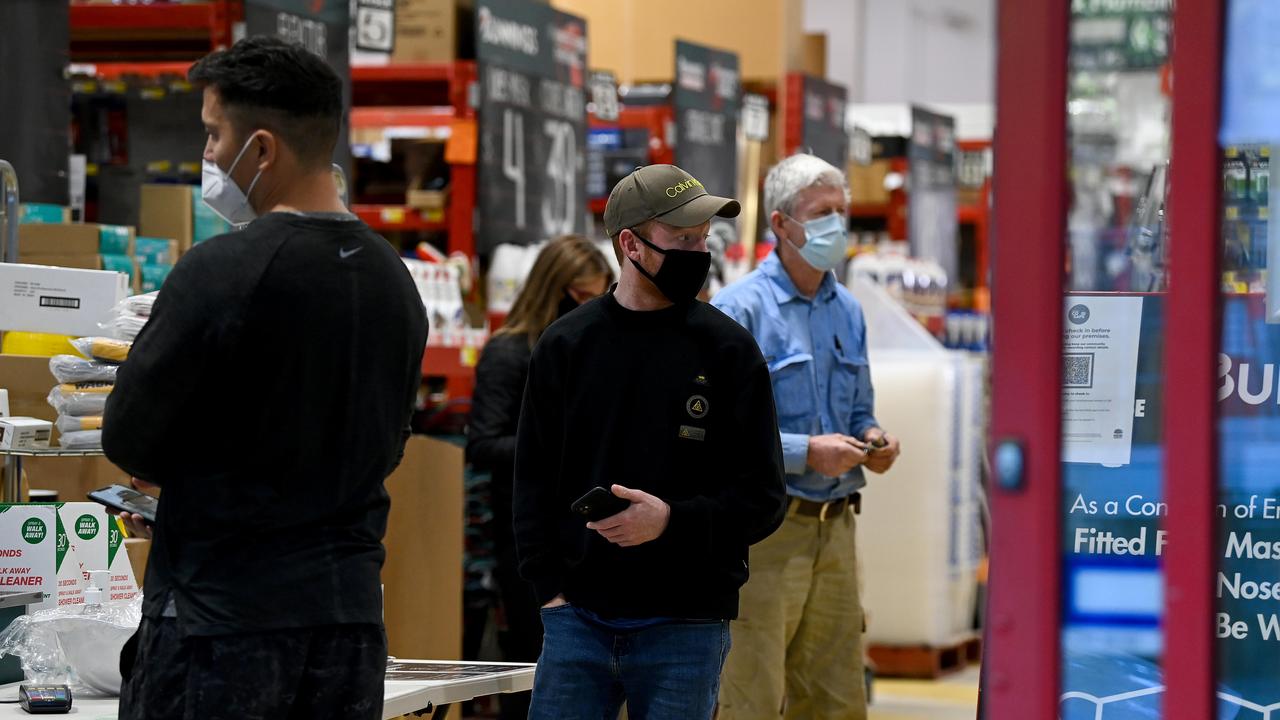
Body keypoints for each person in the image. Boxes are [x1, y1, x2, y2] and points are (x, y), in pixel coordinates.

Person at [103, 36, 429, 720]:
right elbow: (392, 440)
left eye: (213, 134)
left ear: (262, 149)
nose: (210, 156)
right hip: (348, 626)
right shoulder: (394, 280)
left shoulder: (221, 271)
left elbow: (129, 437)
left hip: (222, 624)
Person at [513, 164, 787, 720]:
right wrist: (549, 591)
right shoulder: (566, 346)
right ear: (630, 244)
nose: (699, 251)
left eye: (703, 238)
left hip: (687, 626)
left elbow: (764, 497)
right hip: (577, 622)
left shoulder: (729, 351)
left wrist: (671, 520)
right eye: (682, 238)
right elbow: (532, 480)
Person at [712, 153, 902, 720]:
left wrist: (874, 437)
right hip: (768, 535)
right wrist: (803, 452)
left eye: (841, 212)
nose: (836, 227)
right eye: (822, 213)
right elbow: (718, 435)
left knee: (837, 700)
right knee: (751, 696)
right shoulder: (738, 310)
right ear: (781, 224)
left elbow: (861, 406)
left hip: (837, 533)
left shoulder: (847, 310)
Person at [466, 235, 613, 720]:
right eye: (584, 296)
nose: (595, 307)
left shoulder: (593, 350)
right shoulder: (510, 352)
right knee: (541, 671)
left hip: (592, 530)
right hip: (530, 537)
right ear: (557, 290)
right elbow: (483, 444)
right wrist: (560, 450)